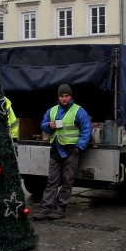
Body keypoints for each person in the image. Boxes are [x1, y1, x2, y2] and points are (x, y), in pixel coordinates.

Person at [31, 84, 92, 220]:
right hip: (56, 150)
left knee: (67, 182)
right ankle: (45, 209)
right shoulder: (52, 110)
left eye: (66, 96)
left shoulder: (79, 111)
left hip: (71, 151)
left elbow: (86, 130)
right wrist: (49, 126)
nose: (64, 99)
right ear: (58, 97)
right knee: (52, 181)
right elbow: (43, 124)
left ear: (71, 96)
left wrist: (78, 147)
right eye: (62, 96)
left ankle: (59, 210)